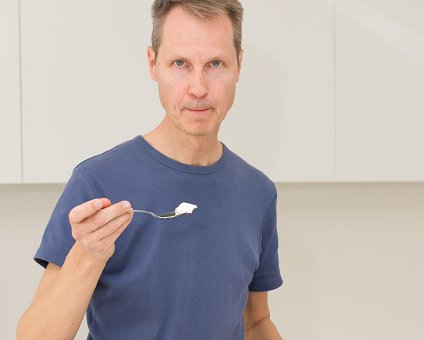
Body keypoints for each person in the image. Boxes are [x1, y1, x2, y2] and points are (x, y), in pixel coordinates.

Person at [17, 0, 284, 339]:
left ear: (239, 66)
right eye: (180, 64)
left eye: (215, 63)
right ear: (153, 64)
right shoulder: (97, 182)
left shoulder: (257, 193)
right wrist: (88, 254)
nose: (198, 88)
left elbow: (255, 322)